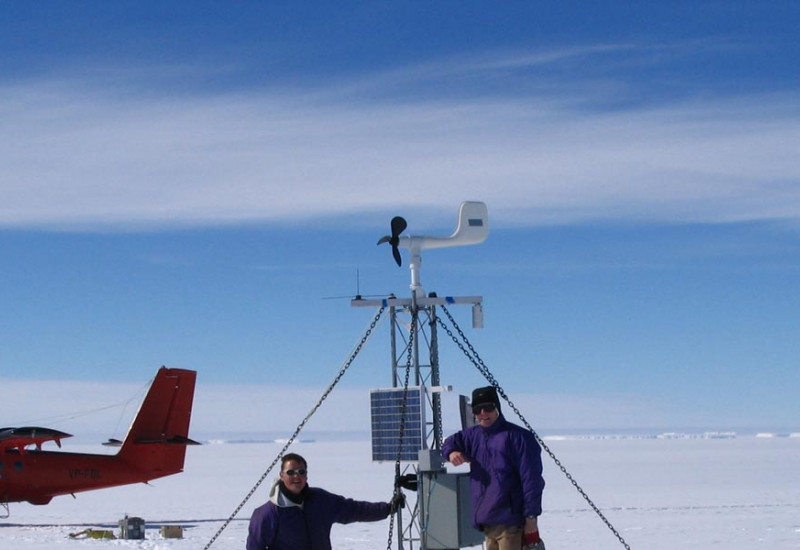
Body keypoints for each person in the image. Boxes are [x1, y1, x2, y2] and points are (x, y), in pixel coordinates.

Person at [442, 386, 546, 550]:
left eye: (488, 407)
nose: (483, 413)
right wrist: (451, 453)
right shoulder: (473, 436)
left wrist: (531, 517)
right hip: (487, 521)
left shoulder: (519, 437)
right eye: (478, 409)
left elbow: (531, 481)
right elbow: (449, 443)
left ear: (497, 407)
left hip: (510, 521)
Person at [246, 452, 404, 550]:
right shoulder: (268, 513)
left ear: (306, 475)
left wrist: (388, 508)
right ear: (281, 475)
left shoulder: (320, 500)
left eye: (301, 471)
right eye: (291, 472)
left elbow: (354, 509)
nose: (296, 476)